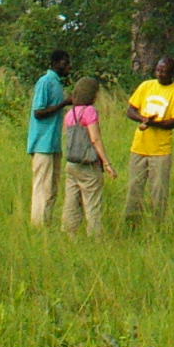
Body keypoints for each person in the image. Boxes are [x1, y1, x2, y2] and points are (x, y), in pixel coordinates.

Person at [123, 55, 174, 224]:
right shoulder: (146, 86)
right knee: (134, 189)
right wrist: (143, 119)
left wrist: (155, 123)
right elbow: (130, 110)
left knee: (158, 191)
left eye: (164, 71)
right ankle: (131, 225)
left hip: (160, 150)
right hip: (139, 147)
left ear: (172, 73)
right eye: (158, 70)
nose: (160, 74)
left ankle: (157, 225)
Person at [59, 77, 108, 235]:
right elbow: (95, 139)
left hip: (72, 163)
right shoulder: (89, 111)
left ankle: (68, 233)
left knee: (71, 202)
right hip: (88, 164)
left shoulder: (70, 113)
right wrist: (106, 163)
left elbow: (66, 134)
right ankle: (95, 235)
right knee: (92, 203)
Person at [28, 49, 71, 226]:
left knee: (52, 187)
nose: (69, 67)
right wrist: (64, 104)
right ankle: (38, 224)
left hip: (53, 143)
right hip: (42, 144)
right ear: (56, 63)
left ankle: (46, 222)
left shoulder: (57, 83)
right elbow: (38, 112)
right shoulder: (45, 82)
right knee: (42, 186)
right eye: (65, 63)